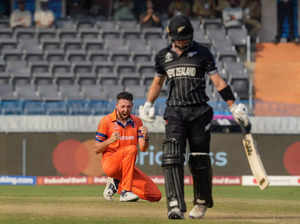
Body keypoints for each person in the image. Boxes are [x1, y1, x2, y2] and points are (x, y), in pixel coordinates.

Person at [139, 14, 250, 219]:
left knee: (199, 159)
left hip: (199, 112)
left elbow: (217, 81)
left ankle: (201, 202)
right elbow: (157, 83)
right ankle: (174, 204)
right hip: (174, 111)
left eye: (186, 38)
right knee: (172, 156)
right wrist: (148, 103)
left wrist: (233, 105)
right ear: (170, 37)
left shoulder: (202, 53)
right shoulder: (163, 56)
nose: (183, 41)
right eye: (179, 38)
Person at [94, 91, 162, 202]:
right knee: (131, 149)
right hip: (111, 165)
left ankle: (117, 184)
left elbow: (143, 149)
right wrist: (110, 140)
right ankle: (125, 192)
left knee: (155, 195)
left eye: (128, 107)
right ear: (117, 106)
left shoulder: (137, 121)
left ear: (132, 106)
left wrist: (146, 137)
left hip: (127, 169)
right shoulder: (106, 121)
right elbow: (96, 149)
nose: (125, 110)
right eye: (123, 107)